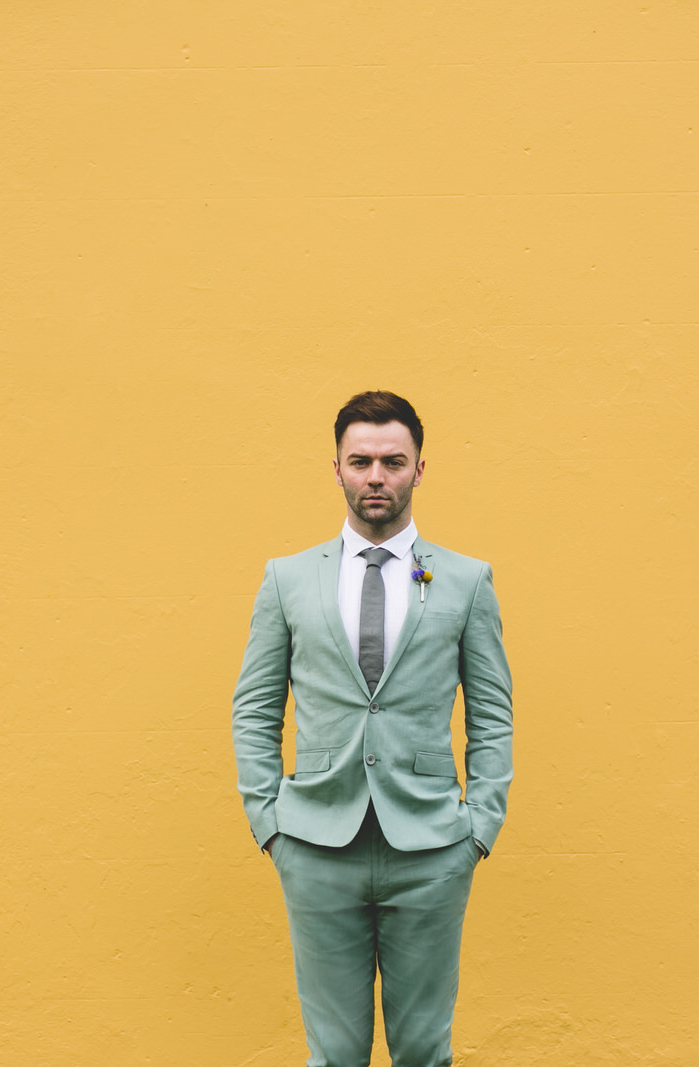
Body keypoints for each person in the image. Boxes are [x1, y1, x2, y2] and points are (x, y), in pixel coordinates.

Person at [232, 390, 514, 1067]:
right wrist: (268, 818)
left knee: (422, 1050)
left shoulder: (466, 580)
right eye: (361, 461)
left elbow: (492, 711)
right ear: (337, 469)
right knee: (333, 1054)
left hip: (431, 850)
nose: (376, 476)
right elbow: (254, 706)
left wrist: (479, 824)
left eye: (393, 460)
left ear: (420, 469)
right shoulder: (287, 579)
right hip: (316, 845)